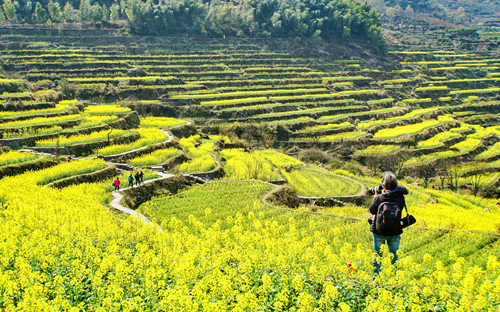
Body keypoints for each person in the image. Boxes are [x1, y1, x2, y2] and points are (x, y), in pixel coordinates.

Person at [369, 171, 409, 275]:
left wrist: (377, 196)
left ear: (383, 185)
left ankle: (375, 279)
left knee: (377, 256)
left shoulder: (380, 198)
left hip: (379, 232)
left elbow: (372, 211)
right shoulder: (400, 197)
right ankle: (397, 278)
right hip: (394, 232)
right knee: (395, 256)